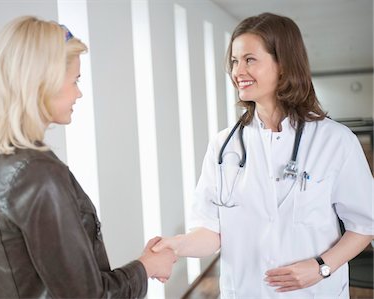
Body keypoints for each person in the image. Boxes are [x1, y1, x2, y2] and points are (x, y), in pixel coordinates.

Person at [153, 12, 373, 298]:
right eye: (234, 61)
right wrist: (176, 245)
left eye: (249, 60)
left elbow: (365, 224)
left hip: (314, 292)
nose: (237, 71)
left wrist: (321, 267)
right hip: (246, 290)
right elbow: (211, 231)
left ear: (283, 64)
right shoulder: (224, 147)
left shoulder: (335, 140)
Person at [0, 15, 176, 298]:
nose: (78, 93)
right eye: (75, 80)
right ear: (42, 83)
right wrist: (146, 266)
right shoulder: (37, 175)